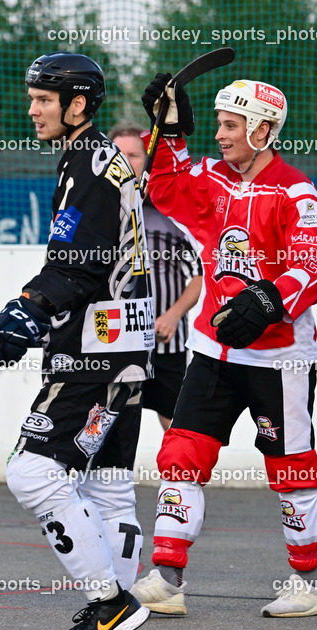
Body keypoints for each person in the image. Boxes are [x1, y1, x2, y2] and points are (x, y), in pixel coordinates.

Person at [130, 75, 317, 618]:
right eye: (218, 124)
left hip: (280, 360)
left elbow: (313, 270)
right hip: (213, 352)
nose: (219, 135)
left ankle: (308, 584)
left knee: (291, 468)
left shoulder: (296, 192)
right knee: (181, 455)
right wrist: (170, 131)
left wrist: (267, 300)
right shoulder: (212, 178)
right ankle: (167, 578)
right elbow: (166, 185)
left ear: (263, 131)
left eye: (230, 125)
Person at [0, 53, 154, 630]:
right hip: (125, 345)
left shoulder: (88, 164)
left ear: (78, 104)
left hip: (94, 350)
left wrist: (26, 310)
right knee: (109, 485)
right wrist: (28, 314)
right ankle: (115, 629)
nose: (32, 109)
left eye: (43, 99)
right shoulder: (104, 158)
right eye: (33, 98)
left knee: (31, 471)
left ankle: (110, 605)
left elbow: (77, 263)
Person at [110, 123, 204, 430]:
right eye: (118, 155)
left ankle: (179, 467)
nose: (125, 163)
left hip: (167, 344)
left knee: (178, 425)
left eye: (134, 156)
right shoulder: (102, 211)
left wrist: (173, 316)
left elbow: (199, 275)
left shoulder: (174, 213)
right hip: (115, 344)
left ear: (149, 160)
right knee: (108, 425)